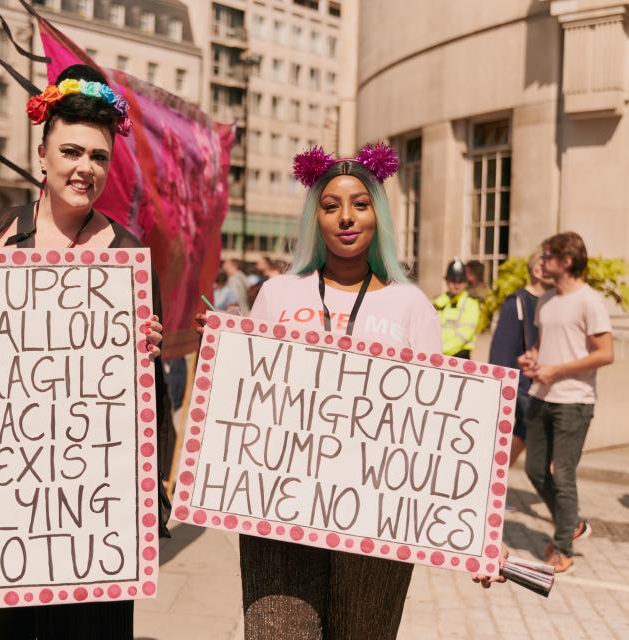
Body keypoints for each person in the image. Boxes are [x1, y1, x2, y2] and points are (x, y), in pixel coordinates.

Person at [208, 144, 501, 640]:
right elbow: (245, 401)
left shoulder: (412, 306)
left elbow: (442, 425)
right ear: (315, 219)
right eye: (331, 206)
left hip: (377, 528)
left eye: (360, 204)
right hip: (278, 517)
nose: (346, 217)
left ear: (378, 215)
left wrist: (479, 523)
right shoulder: (278, 293)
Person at [0, 64, 168, 640]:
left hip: (93, 505)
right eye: (72, 151)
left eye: (100, 157)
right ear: (42, 153)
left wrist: (146, 350)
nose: (85, 168)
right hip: (2, 491)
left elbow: (146, 392)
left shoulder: (130, 256)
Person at [518, 231, 614, 574]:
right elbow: (545, 346)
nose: (541, 263)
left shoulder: (589, 301)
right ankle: (570, 522)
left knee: (563, 475)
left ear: (566, 261)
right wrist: (532, 360)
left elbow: (606, 354)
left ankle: (563, 547)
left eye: (547, 257)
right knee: (532, 468)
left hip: (574, 401)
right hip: (541, 396)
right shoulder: (546, 301)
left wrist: (557, 370)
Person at [488, 253, 552, 467]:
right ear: (537, 270)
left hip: (543, 381)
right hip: (522, 383)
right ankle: (496, 477)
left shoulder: (552, 302)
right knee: (526, 430)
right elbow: (500, 352)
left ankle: (496, 479)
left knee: (532, 432)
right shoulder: (516, 302)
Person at [433, 258, 480, 358]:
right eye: (453, 280)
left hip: (459, 357)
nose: (457, 284)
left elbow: (464, 335)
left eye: (460, 281)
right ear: (446, 281)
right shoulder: (436, 302)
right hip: (436, 355)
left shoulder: (471, 303)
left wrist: (440, 351)